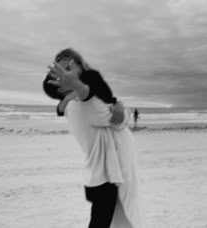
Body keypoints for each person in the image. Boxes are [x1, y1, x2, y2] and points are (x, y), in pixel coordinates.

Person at [43, 48, 145, 228]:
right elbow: (117, 120)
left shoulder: (81, 99)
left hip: (102, 174)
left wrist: (118, 105)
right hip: (105, 177)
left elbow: (113, 113)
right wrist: (121, 108)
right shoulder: (78, 104)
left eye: (69, 67)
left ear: (80, 65)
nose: (65, 74)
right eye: (61, 71)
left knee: (107, 221)